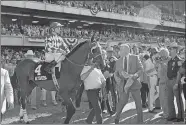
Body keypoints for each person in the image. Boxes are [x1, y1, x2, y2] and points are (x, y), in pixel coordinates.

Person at [114, 44, 143, 124]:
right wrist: (118, 77)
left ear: (126, 50)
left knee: (138, 104)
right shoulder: (118, 61)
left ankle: (140, 121)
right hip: (124, 84)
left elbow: (141, 69)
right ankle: (117, 118)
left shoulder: (135, 57)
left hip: (134, 83)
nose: (120, 52)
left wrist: (135, 75)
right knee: (122, 102)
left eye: (121, 50)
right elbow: (116, 72)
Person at [44, 22, 70, 90]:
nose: (60, 29)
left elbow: (66, 47)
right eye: (58, 28)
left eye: (60, 28)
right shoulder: (48, 37)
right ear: (53, 29)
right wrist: (60, 50)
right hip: (50, 55)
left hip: (57, 56)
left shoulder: (60, 38)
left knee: (66, 56)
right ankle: (48, 68)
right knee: (60, 55)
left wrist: (68, 53)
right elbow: (48, 48)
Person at [80, 58, 107, 124]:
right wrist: (90, 69)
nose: (89, 60)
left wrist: (103, 88)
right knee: (98, 109)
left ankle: (88, 120)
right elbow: (82, 78)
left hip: (99, 90)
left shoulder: (97, 69)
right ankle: (100, 123)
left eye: (91, 59)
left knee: (96, 107)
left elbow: (103, 79)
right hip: (91, 91)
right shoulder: (83, 68)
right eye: (88, 59)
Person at [166, 42, 184, 122]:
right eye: (170, 48)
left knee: (178, 100)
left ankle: (180, 116)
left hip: (175, 81)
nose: (170, 50)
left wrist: (177, 83)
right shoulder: (170, 60)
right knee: (169, 99)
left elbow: (180, 73)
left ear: (176, 50)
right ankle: (172, 115)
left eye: (172, 48)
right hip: (169, 81)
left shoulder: (179, 60)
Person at [156, 48, 170, 119]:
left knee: (165, 98)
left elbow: (168, 71)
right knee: (162, 98)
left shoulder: (168, 61)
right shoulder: (162, 61)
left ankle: (167, 113)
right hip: (161, 81)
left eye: (160, 54)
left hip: (165, 82)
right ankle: (165, 112)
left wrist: (162, 64)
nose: (160, 56)